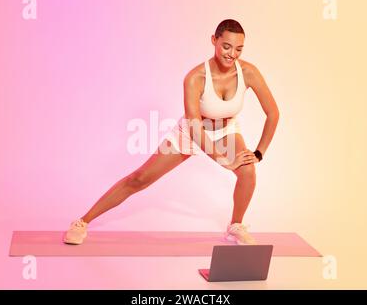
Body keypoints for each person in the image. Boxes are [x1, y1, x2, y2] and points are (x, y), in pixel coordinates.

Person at [64, 19, 279, 245]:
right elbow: (195, 127)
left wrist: (259, 153)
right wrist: (224, 160)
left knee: (247, 171)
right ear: (214, 41)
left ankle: (235, 226)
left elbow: (273, 113)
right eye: (227, 46)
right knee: (139, 179)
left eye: (238, 49)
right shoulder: (195, 78)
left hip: (225, 130)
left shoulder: (248, 72)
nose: (232, 54)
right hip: (191, 132)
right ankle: (82, 221)